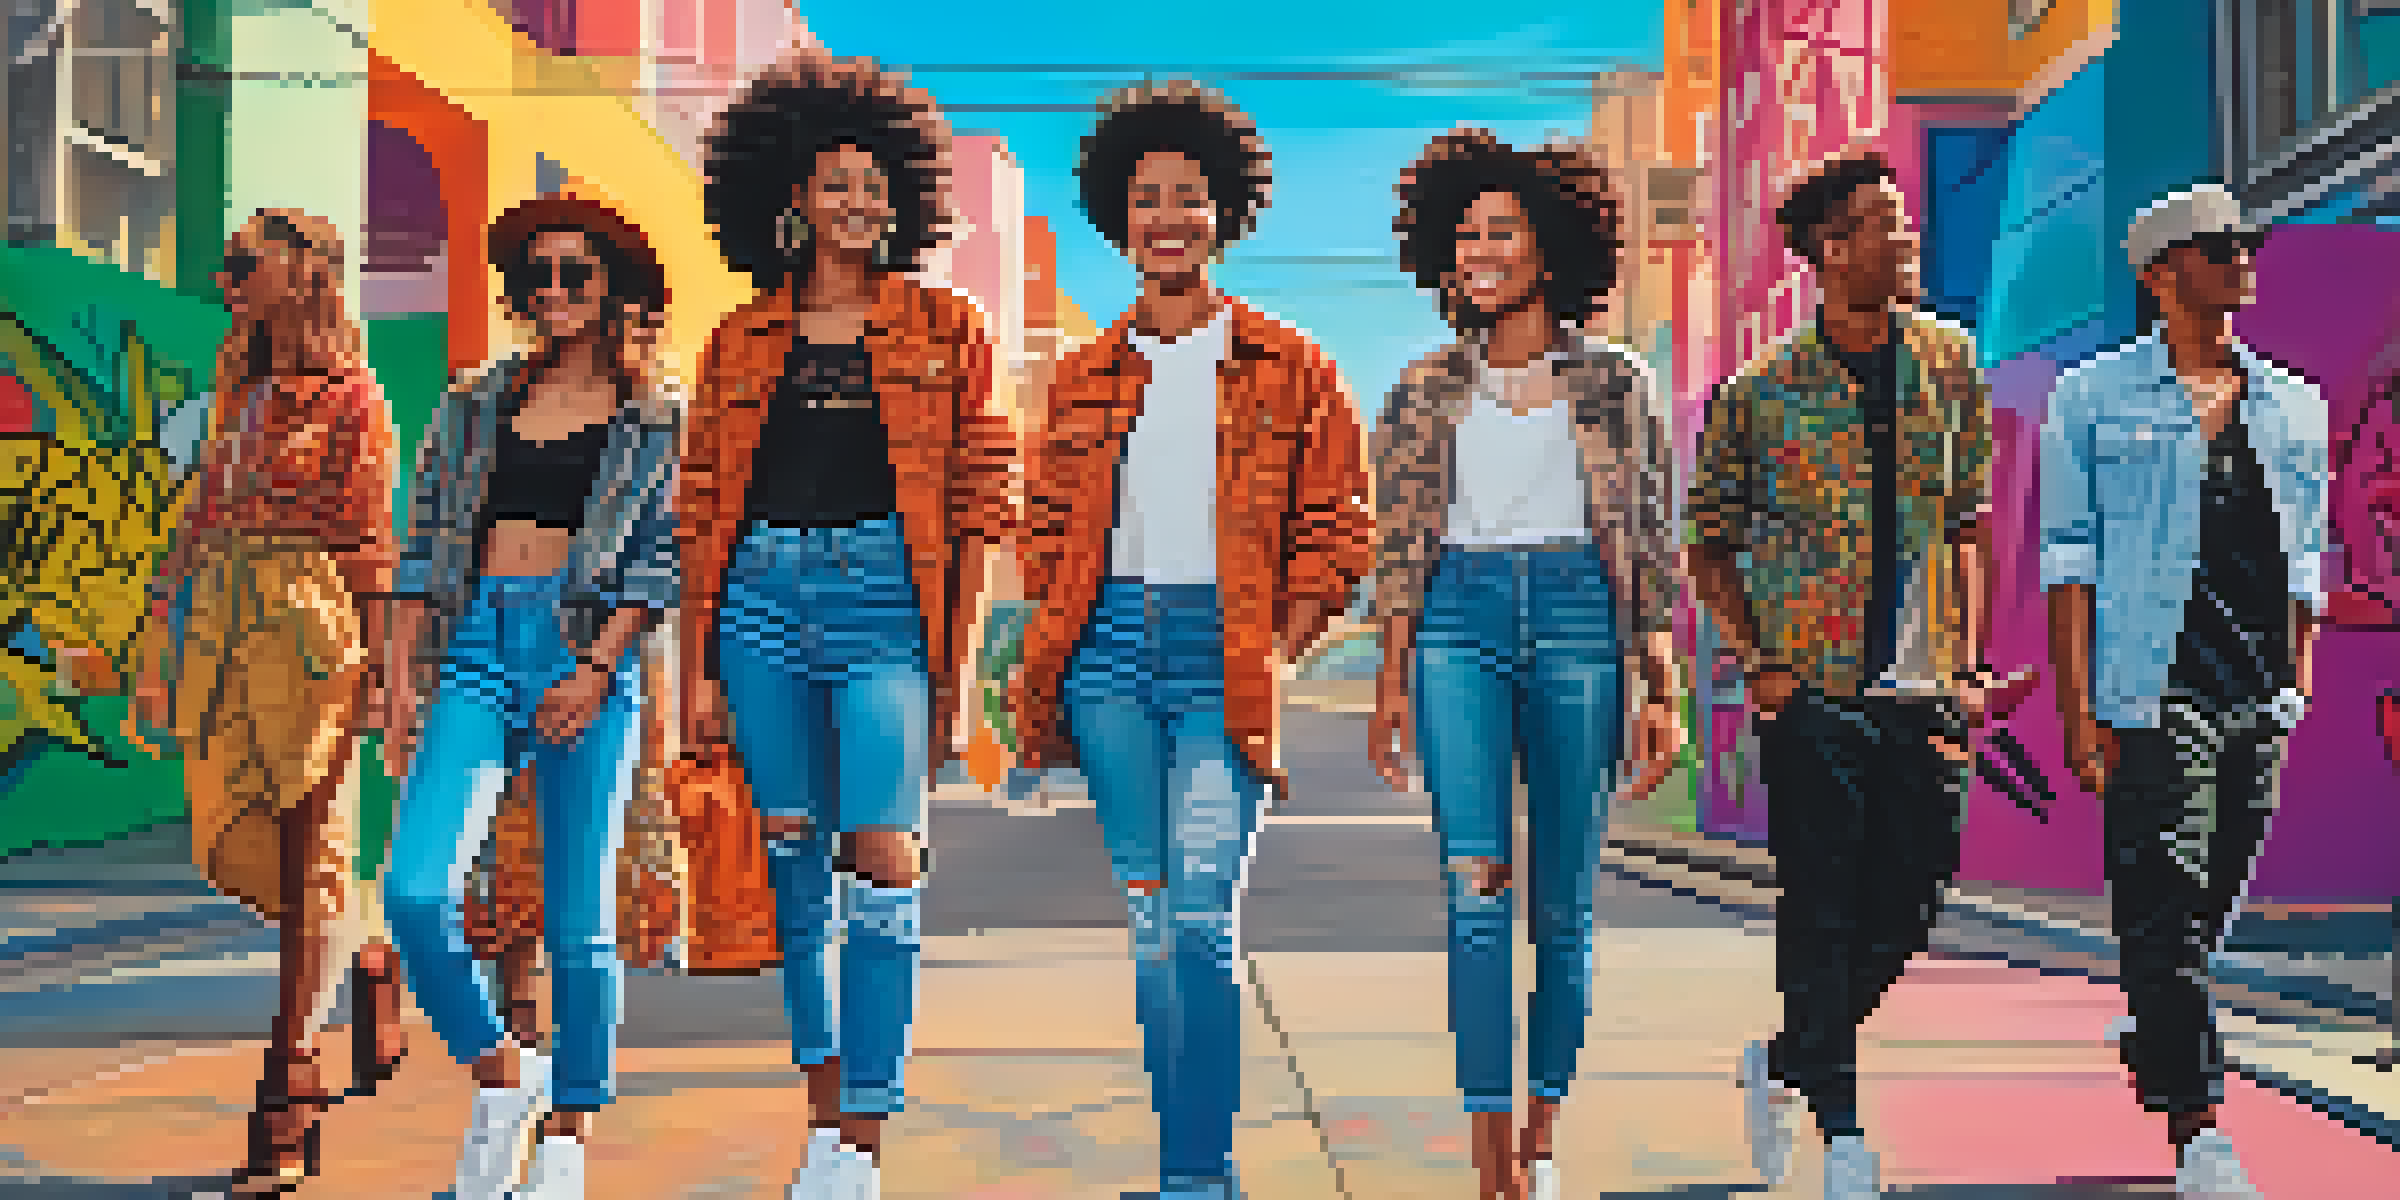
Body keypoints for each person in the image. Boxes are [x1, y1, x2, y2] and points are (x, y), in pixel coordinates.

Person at [1011, 80, 1373, 1200]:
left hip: (1226, 654)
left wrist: (1277, 647)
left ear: (1226, 213)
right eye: (1145, 199)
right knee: (1152, 919)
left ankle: (1199, 1175)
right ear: (1119, 221)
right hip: (1111, 654)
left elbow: (1339, 534)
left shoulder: (1292, 365)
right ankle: (1187, 1166)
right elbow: (1042, 529)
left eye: (1188, 197)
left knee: (1203, 918)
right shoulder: (1081, 378)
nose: (1166, 217)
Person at [681, 48, 1013, 1200]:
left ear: (906, 197)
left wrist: (958, 671)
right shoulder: (739, 340)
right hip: (760, 597)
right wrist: (697, 673)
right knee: (790, 861)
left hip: (886, 602)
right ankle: (823, 1117)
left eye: (877, 183)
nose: (858, 201)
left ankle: (867, 1130)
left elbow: (979, 507)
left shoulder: (949, 328)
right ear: (791, 196)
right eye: (836, 181)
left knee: (885, 851)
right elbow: (700, 515)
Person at [1367, 128, 1685, 1200]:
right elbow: (1398, 549)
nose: (1482, 250)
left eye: (1502, 230)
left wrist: (1663, 686)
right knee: (1473, 889)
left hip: (1584, 620)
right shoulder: (1420, 390)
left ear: (1552, 247)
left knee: (1564, 906)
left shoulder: (1616, 384)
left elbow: (1646, 540)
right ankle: (1488, 1157)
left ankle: (1542, 1139)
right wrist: (1387, 685)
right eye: (1465, 235)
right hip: (1457, 620)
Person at [1685, 152, 2001, 1200]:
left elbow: (1968, 523)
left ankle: (1788, 1057)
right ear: (1831, 250)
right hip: (1813, 693)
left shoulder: (1950, 363)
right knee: (1818, 909)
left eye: (1904, 217)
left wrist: (1969, 666)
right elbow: (1709, 539)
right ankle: (1844, 1132)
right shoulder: (1763, 393)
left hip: (1922, 692)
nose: (1905, 236)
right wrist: (1758, 662)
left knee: (1910, 903)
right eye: (1882, 222)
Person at [380, 194, 681, 1200]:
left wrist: (597, 668)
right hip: (474, 644)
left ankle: (571, 1128)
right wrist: (396, 676)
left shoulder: (655, 419)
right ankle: (504, 1076)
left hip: (581, 646)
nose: (553, 292)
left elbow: (658, 565)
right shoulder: (476, 400)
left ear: (613, 288)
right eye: (538, 275)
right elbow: (422, 543)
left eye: (575, 274)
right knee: (417, 892)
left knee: (578, 918)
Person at [2041, 183, 2326, 1199]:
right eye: (2218, 246)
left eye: (2247, 241)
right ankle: (2199, 1133)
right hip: (2151, 689)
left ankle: (2154, 1018)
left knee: (2209, 899)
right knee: (2162, 905)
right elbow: (2068, 561)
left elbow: (2306, 558)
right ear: (2159, 275)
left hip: (2260, 692)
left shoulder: (2297, 402)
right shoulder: (2091, 398)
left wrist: (2301, 670)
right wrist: (2080, 714)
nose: (2243, 257)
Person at [129, 209, 407, 1197]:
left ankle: (289, 1089)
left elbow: (372, 543)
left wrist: (379, 669)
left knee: (309, 841)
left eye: (248, 261)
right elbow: (199, 514)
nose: (229, 275)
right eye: (228, 262)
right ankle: (370, 947)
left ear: (307, 271)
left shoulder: (357, 400)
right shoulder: (236, 390)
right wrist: (158, 640)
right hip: (222, 622)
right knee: (222, 841)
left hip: (312, 619)